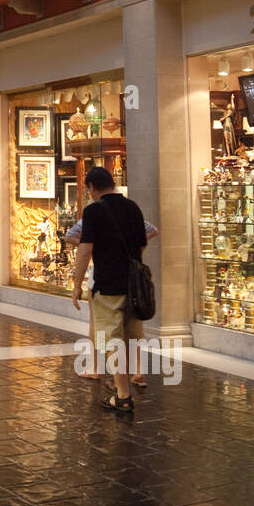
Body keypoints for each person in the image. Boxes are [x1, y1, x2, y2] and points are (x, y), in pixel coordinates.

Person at [71, 167, 148, 412]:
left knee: (109, 339)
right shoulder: (133, 208)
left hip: (107, 285)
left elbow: (85, 250)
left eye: (89, 189)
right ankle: (125, 383)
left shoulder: (93, 211)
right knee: (129, 336)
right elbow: (142, 243)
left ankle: (123, 394)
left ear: (92, 187)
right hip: (134, 286)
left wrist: (76, 284)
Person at [65, 209, 158, 384]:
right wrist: (135, 249)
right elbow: (152, 230)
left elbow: (70, 236)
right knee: (132, 327)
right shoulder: (128, 215)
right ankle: (137, 370)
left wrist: (92, 247)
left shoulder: (94, 216)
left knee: (99, 325)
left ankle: (96, 366)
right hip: (128, 276)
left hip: (103, 277)